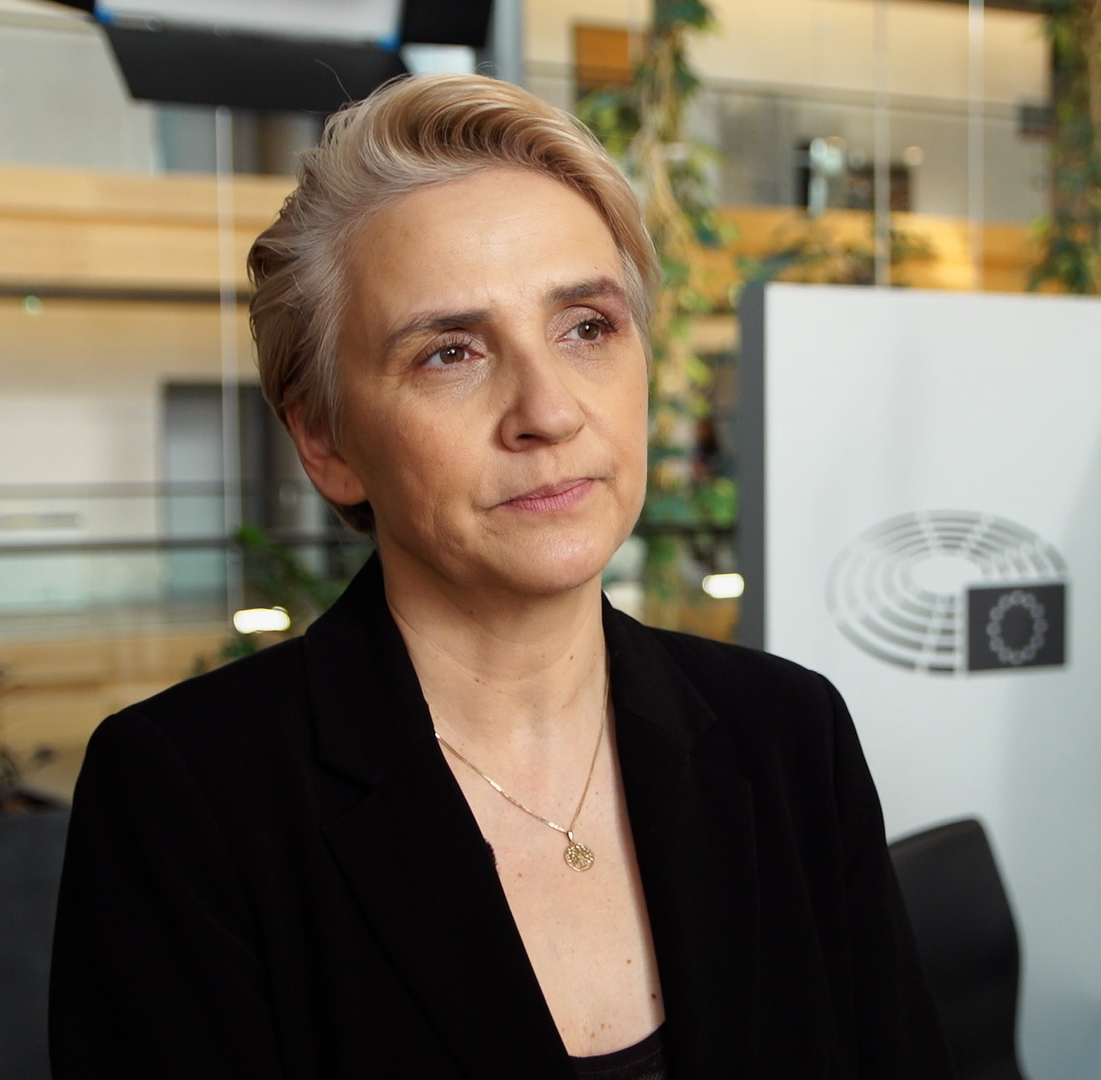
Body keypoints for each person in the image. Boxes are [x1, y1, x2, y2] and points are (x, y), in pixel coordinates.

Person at [49, 75, 954, 1080]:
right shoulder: (189, 799)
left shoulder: (787, 734)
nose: (548, 411)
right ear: (326, 442)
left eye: (586, 327)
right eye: (451, 353)